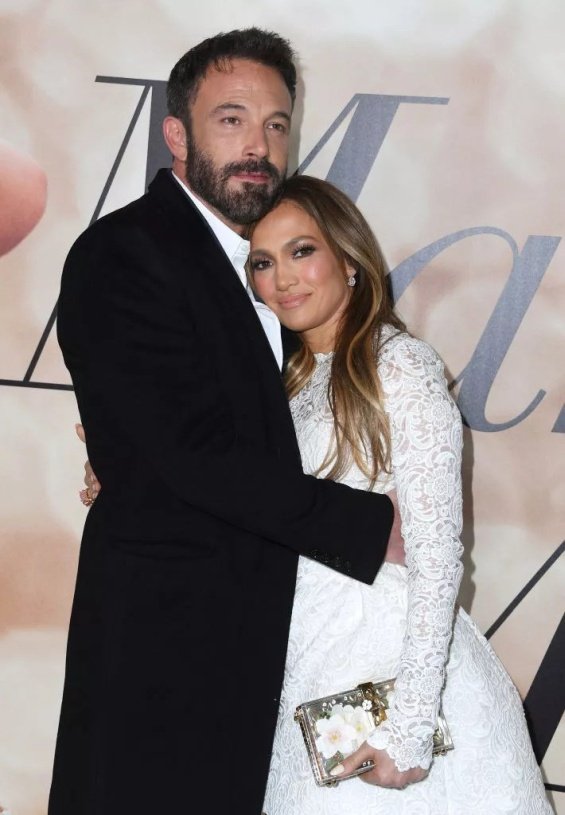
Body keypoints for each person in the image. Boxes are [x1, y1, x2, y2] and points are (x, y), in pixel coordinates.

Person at [51, 29, 398, 815]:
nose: (259, 146)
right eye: (232, 119)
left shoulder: (274, 270)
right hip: (165, 659)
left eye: (277, 124)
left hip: (272, 647)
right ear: (176, 134)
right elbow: (192, 455)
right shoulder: (124, 254)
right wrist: (372, 527)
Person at [242, 175, 552, 814]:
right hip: (303, 675)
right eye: (263, 262)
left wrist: (409, 728)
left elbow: (438, 557)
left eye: (302, 251)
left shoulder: (400, 365)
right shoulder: (283, 385)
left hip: (387, 680)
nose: (283, 279)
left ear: (349, 261)